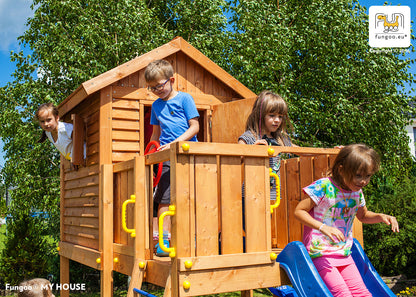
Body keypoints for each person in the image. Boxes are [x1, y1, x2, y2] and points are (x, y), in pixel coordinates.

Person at [294, 143, 399, 297]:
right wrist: (323, 227)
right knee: (342, 294)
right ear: (341, 169)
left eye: (368, 176)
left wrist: (380, 216)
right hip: (320, 252)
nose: (363, 181)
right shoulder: (324, 186)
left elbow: (363, 216)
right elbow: (299, 211)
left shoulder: (357, 192)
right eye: (358, 175)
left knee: (363, 293)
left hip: (343, 252)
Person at [145, 59, 200, 256]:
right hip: (167, 157)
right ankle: (163, 240)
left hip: (188, 155)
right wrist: (152, 153)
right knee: (164, 199)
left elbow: (195, 127)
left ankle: (194, 237)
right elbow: (155, 135)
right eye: (152, 88)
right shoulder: (155, 106)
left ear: (172, 80)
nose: (156, 90)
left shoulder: (185, 99)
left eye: (159, 85)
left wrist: (176, 143)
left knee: (192, 197)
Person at [238, 90, 294, 200]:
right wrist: (252, 150)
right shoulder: (249, 137)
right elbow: (235, 160)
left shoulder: (280, 140)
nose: (277, 120)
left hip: (274, 195)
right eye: (272, 115)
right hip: (251, 194)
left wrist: (334, 151)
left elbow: (304, 151)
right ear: (260, 115)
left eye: (280, 116)